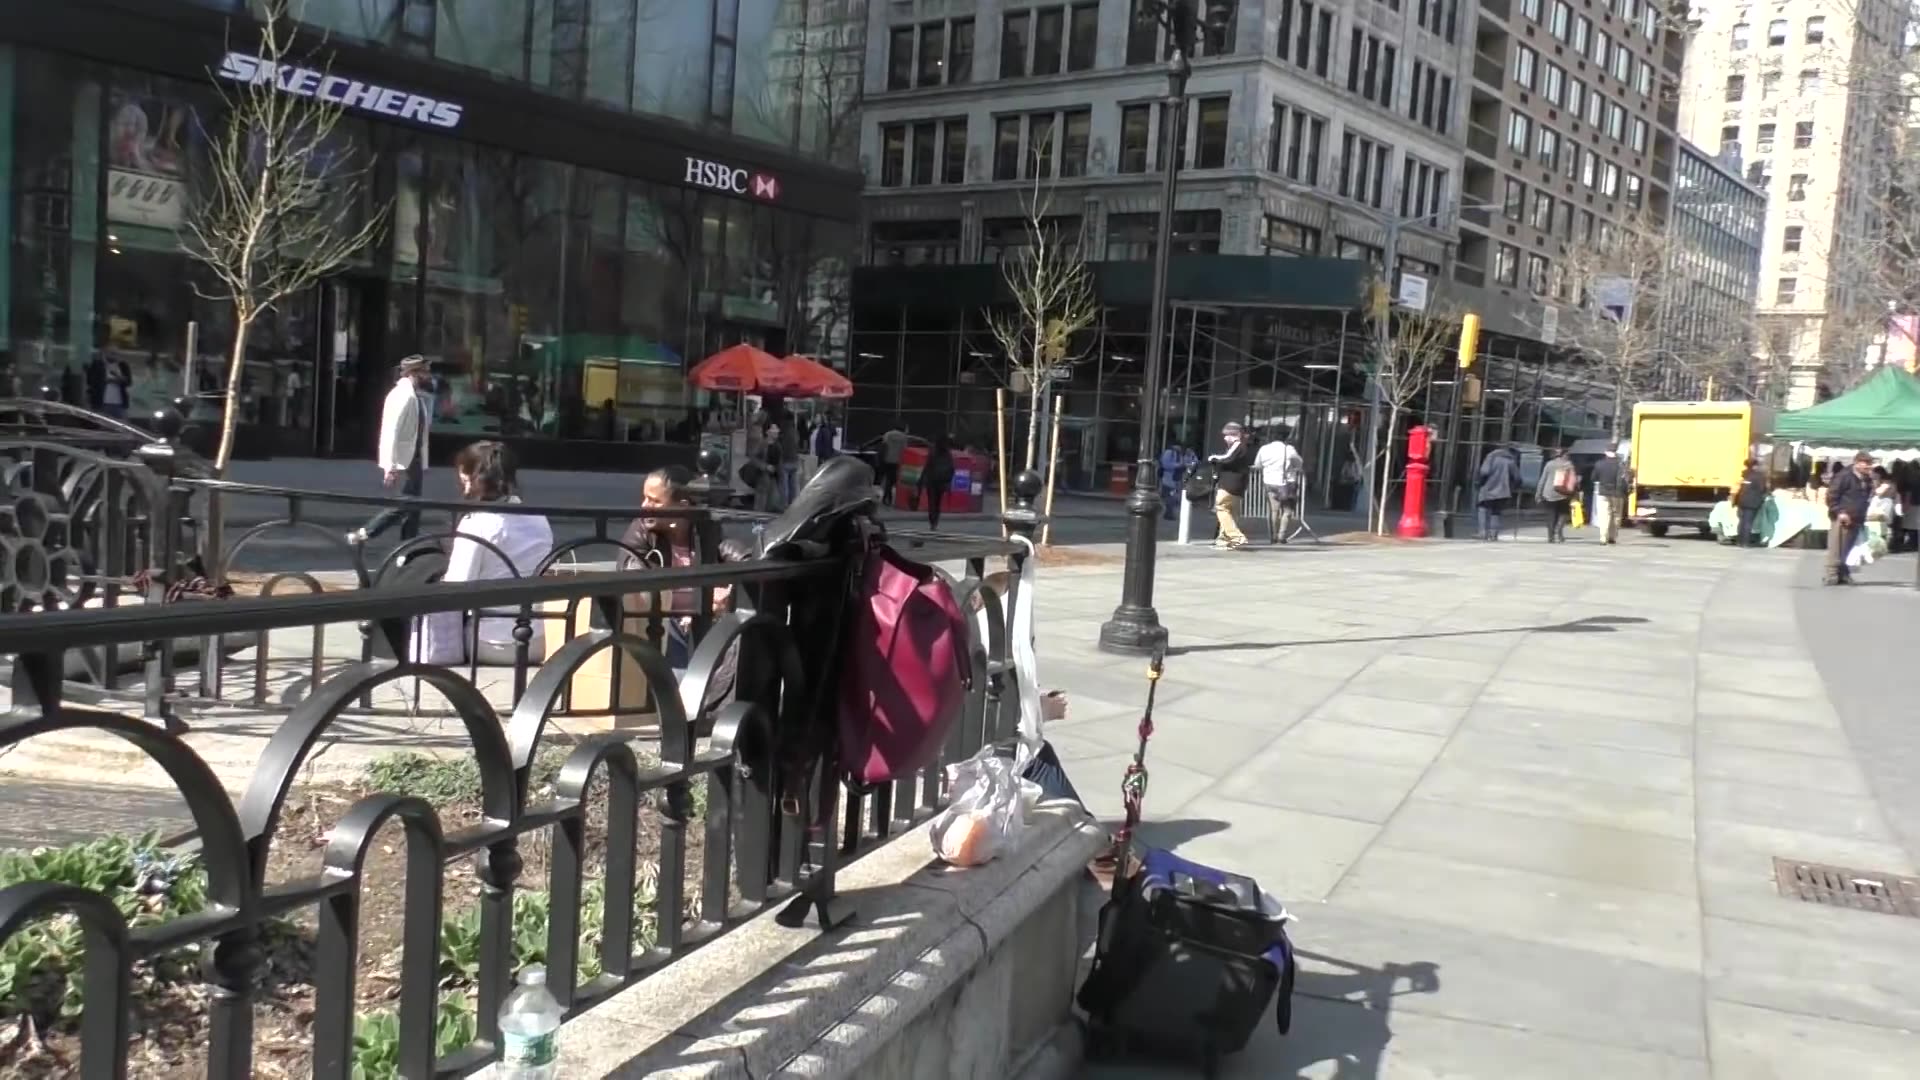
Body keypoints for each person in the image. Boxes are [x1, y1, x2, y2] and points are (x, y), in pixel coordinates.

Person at [412, 442, 553, 665]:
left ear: (476, 480)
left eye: (465, 482)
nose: (464, 490)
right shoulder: (538, 518)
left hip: (491, 643)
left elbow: (457, 588)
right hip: (535, 640)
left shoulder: (477, 523)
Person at [619, 466, 703, 665]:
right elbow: (632, 572)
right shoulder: (641, 529)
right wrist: (695, 601)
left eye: (655, 501)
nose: (644, 506)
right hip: (661, 621)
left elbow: (737, 555)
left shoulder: (704, 529)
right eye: (645, 497)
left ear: (682, 506)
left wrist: (727, 591)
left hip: (699, 622)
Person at [351, 354, 433, 545]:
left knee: (413, 507)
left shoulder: (415, 395)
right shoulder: (402, 396)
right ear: (414, 372)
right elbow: (390, 432)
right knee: (405, 504)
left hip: (414, 460)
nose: (428, 375)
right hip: (405, 461)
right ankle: (366, 532)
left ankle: (407, 548)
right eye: (425, 371)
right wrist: (391, 466)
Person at [1824, 451, 1874, 586]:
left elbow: (1865, 498)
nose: (1868, 467)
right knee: (1837, 547)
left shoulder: (1867, 479)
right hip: (1842, 517)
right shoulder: (1844, 476)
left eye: (1870, 464)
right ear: (1857, 463)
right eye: (1866, 464)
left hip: (1857, 518)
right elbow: (1831, 496)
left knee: (1849, 548)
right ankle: (1832, 574)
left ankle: (1844, 573)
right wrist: (1840, 512)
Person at [1252, 428, 1305, 544]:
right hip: (1286, 484)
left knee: (1273, 510)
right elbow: (1299, 463)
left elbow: (1257, 465)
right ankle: (1282, 535)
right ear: (1286, 437)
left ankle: (1273, 536)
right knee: (1287, 511)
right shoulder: (1289, 449)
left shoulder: (1264, 449)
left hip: (1269, 482)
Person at [1207, 422, 1255, 550]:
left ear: (1234, 435)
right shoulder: (1244, 447)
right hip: (1238, 486)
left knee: (1221, 508)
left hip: (1229, 484)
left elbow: (1227, 458)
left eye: (1226, 435)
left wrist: (1213, 458)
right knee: (1230, 513)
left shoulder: (1238, 445)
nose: (1224, 438)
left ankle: (1236, 537)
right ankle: (1224, 541)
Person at [1475, 443, 1522, 541]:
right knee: (1496, 512)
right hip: (1503, 491)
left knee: (1483, 509)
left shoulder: (1491, 457)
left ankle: (1483, 532)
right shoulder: (1510, 461)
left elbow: (1484, 472)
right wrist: (1514, 486)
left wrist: (1480, 482)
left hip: (1488, 488)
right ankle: (1493, 534)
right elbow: (1517, 478)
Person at [1535, 446, 1576, 543]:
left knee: (1551, 515)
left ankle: (1551, 536)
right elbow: (1573, 480)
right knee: (1564, 513)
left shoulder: (1549, 464)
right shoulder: (1568, 465)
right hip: (1564, 493)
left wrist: (1538, 493)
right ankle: (1559, 531)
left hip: (1549, 493)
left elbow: (1543, 479)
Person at [919, 434, 957, 529]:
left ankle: (932, 521)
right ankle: (935, 521)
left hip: (932, 480)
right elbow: (952, 468)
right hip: (942, 481)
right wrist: (949, 481)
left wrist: (921, 480)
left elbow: (927, 467)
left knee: (931, 501)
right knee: (938, 502)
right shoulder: (948, 454)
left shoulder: (933, 452)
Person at [1590, 445, 1626, 545]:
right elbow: (1624, 478)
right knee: (1616, 515)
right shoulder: (1621, 464)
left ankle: (1603, 537)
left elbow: (1593, 478)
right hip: (1617, 493)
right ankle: (1612, 537)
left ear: (1606, 452)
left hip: (1603, 493)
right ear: (1616, 451)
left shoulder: (1599, 464)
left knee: (1604, 515)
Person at [1735, 457, 1769, 548]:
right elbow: (1762, 489)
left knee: (1742, 521)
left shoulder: (1744, 475)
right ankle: (1745, 542)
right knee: (1748, 522)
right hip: (1752, 501)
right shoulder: (1759, 476)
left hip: (1741, 501)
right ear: (1755, 466)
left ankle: (1740, 541)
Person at [878, 422, 908, 506]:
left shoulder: (888, 434)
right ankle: (888, 498)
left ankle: (887, 497)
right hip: (897, 461)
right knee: (892, 480)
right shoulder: (903, 437)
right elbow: (905, 449)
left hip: (886, 459)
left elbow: (883, 445)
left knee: (888, 479)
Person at [1157, 443, 1189, 520]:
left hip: (1176, 479)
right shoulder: (1169, 453)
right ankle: (1169, 513)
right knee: (1170, 496)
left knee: (1174, 497)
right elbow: (1166, 465)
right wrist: (1178, 465)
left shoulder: (1179, 454)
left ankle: (1168, 513)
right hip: (1168, 479)